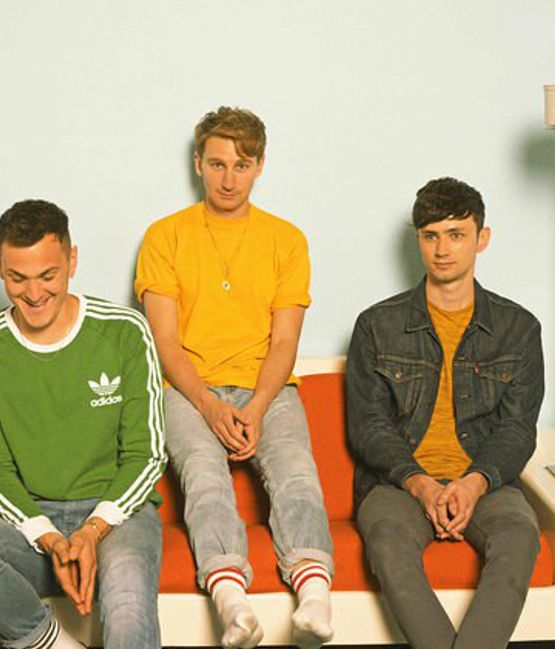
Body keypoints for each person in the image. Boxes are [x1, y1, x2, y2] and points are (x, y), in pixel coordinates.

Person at [135, 106, 334, 649]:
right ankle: (232, 604)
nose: (229, 179)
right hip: (187, 388)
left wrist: (256, 407)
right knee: (204, 475)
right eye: (218, 164)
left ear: (260, 166)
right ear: (198, 163)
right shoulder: (164, 236)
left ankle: (315, 598)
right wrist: (210, 404)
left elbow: (285, 342)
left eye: (241, 166)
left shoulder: (286, 239)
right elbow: (165, 343)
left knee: (296, 473)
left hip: (267, 387)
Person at [0, 199, 166, 649]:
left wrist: (92, 530)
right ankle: (50, 643)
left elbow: (146, 455)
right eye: (17, 278)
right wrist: (51, 538)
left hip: (117, 516)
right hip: (29, 521)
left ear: (72, 261)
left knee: (129, 603)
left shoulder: (125, 331)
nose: (33, 293)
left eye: (47, 275)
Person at [346, 177, 545, 649]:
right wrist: (421, 484)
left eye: (456, 234)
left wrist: (473, 483)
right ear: (417, 239)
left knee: (519, 536)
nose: (442, 249)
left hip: (484, 481)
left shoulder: (518, 328)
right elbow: (369, 427)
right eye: (430, 235)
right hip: (399, 483)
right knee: (388, 540)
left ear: (482, 238)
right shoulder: (376, 325)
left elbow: (518, 429)